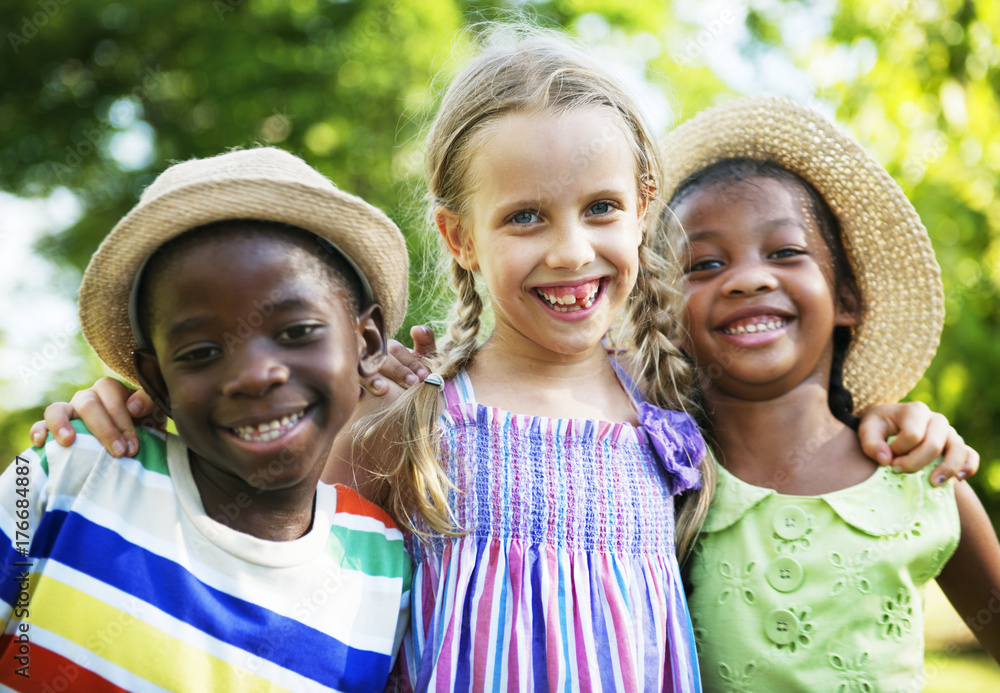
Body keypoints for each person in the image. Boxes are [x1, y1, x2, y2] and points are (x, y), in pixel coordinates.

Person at [0, 147, 413, 691]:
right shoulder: (71, 469)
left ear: (367, 343)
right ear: (156, 383)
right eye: (199, 353)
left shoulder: (384, 564)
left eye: (295, 332)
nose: (254, 375)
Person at [660, 96, 1000, 690]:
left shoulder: (922, 477)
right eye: (705, 264)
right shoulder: (662, 483)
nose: (747, 278)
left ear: (847, 299)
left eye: (786, 252)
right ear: (664, 316)